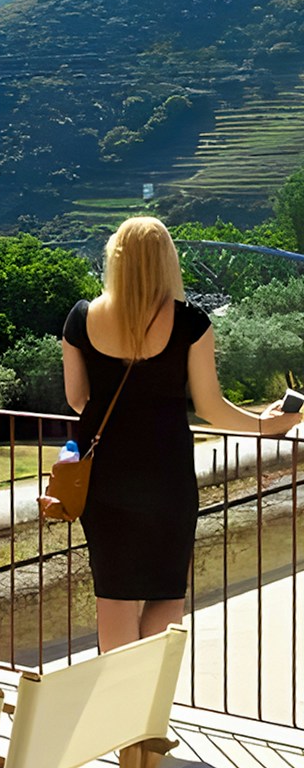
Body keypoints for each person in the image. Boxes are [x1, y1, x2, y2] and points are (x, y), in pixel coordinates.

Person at [62, 216, 301, 651]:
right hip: (166, 476)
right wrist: (269, 425)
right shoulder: (191, 322)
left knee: (113, 594)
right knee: (167, 591)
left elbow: (79, 401)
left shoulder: (80, 319)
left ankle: (116, 710)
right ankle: (147, 705)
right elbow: (211, 408)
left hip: (104, 476)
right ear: (167, 261)